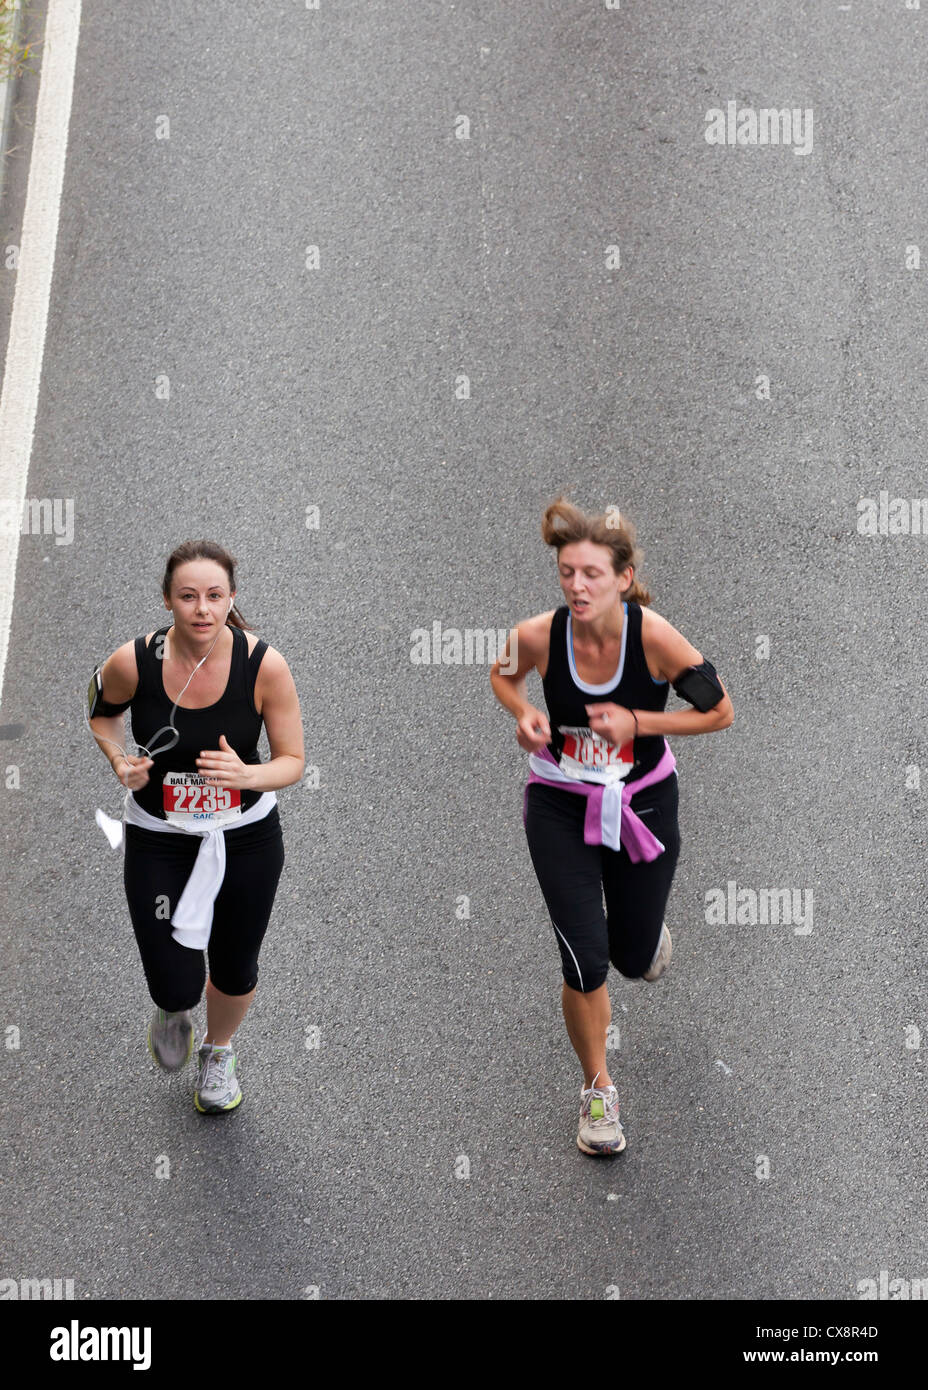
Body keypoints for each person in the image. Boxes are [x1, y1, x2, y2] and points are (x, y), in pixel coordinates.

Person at [490, 498, 733, 1155]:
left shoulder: (653, 636)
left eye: (593, 573)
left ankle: (647, 937)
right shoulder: (540, 634)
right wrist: (523, 714)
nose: (577, 586)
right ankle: (598, 1091)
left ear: (623, 579)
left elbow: (719, 712)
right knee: (584, 959)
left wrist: (639, 723)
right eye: (568, 572)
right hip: (560, 800)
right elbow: (502, 673)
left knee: (629, 957)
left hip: (642, 801)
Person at [88, 540, 304, 1113]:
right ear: (167, 601)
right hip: (160, 838)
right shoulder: (133, 662)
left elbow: (293, 761)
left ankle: (219, 1051)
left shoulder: (265, 666)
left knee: (235, 965)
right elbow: (102, 712)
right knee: (174, 980)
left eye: (214, 595)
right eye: (188, 596)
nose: (202, 608)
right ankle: (173, 1007)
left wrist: (248, 774)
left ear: (232, 598)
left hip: (246, 838)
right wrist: (119, 763)